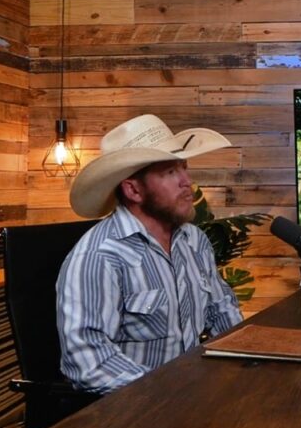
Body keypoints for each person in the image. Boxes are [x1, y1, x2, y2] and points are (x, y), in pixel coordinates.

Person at [57, 114, 243, 394]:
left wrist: (244, 365)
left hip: (196, 394)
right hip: (137, 412)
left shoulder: (194, 241)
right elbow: (89, 362)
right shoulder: (100, 256)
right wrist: (170, 393)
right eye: (170, 172)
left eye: (184, 167)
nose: (186, 181)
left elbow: (222, 312)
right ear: (133, 189)